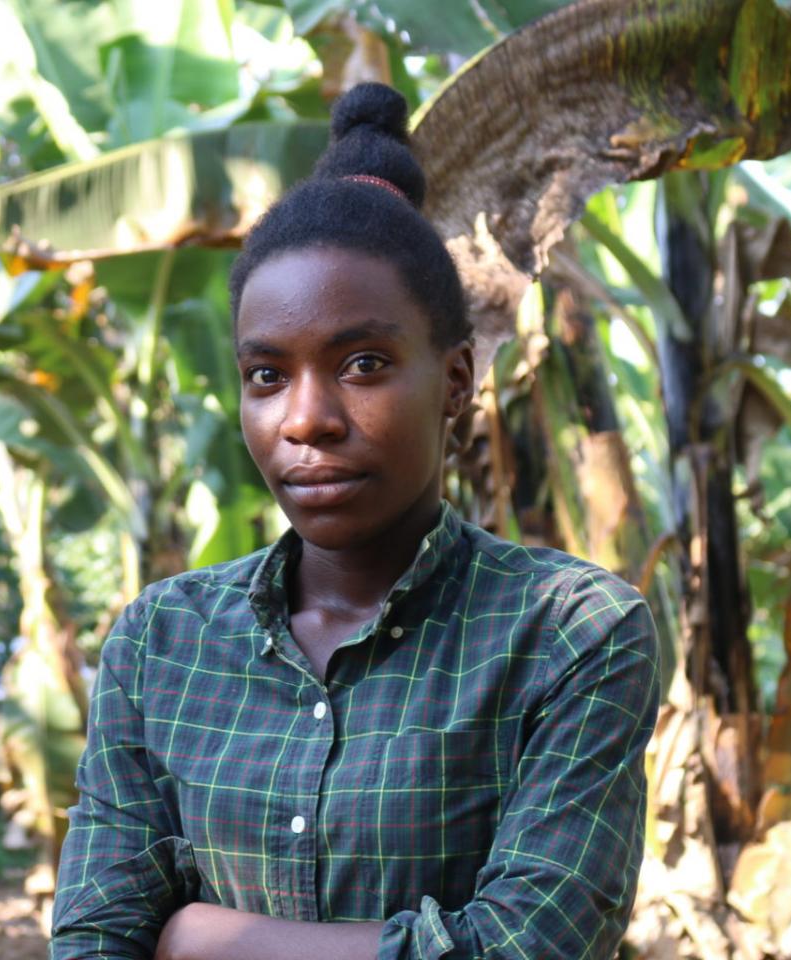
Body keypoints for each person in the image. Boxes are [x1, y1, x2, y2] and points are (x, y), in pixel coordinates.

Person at [49, 82, 660, 960]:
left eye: (363, 363)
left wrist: (203, 940)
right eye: (267, 376)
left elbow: (529, 948)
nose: (306, 419)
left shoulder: (567, 634)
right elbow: (94, 941)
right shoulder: (162, 643)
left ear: (456, 380)